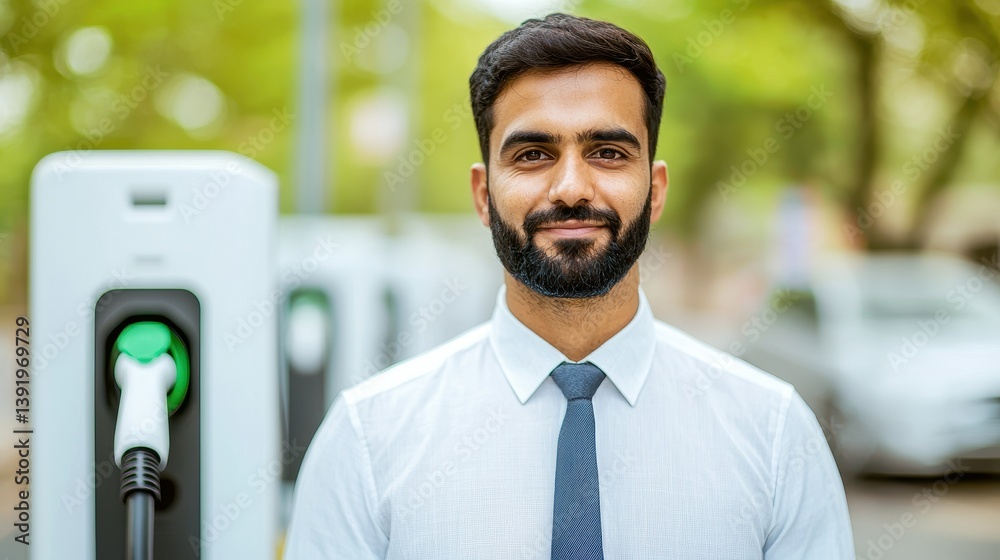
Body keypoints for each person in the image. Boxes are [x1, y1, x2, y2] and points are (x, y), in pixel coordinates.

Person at [284, 13, 854, 559]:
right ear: (483, 195)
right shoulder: (369, 437)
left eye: (607, 153)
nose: (572, 188)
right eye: (534, 154)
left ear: (655, 191)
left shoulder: (773, 433)